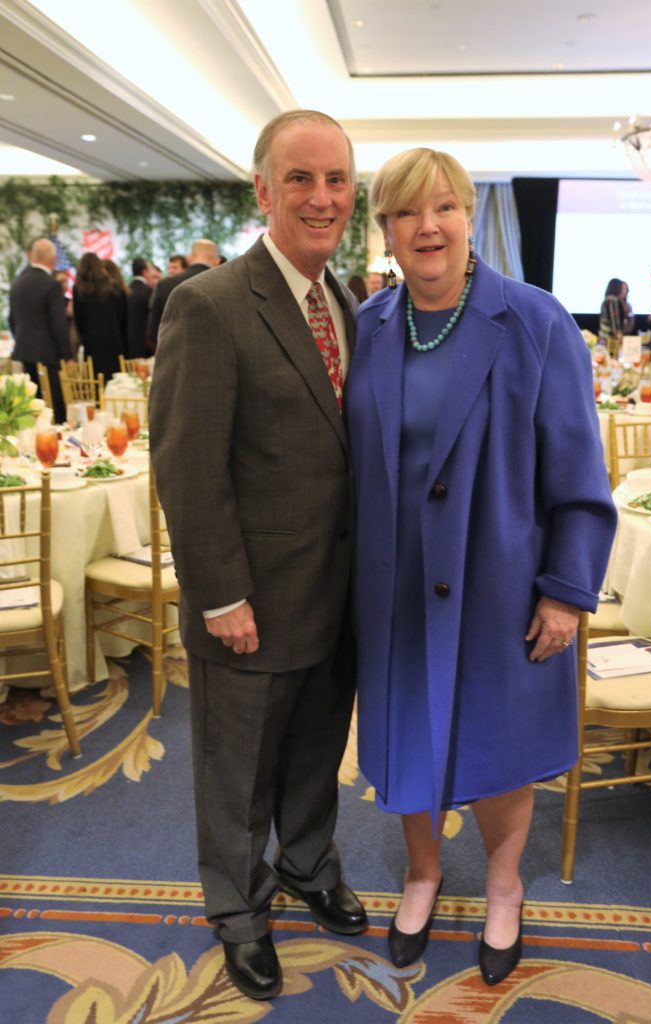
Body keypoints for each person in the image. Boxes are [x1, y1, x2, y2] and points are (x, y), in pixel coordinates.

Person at [345, 148, 617, 986]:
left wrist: (565, 593)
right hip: (395, 584)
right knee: (407, 738)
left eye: (442, 208)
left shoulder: (534, 321)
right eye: (402, 213)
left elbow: (578, 472)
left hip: (500, 580)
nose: (425, 227)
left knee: (497, 742)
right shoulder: (373, 324)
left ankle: (504, 886)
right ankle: (422, 875)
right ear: (385, 230)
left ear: (470, 216)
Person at [149, 109, 367, 1002]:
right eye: (302, 180)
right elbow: (187, 468)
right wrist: (218, 597)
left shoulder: (348, 302)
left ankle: (308, 864)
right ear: (263, 190)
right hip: (249, 601)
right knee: (238, 774)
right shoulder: (208, 303)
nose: (321, 198)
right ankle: (238, 911)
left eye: (337, 181)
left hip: (336, 591)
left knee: (316, 752)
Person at [9, 238, 73, 423]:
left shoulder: (18, 282)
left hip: (24, 351)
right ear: (52, 260)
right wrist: (67, 356)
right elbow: (58, 323)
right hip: (47, 354)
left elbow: (12, 319)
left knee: (31, 405)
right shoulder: (51, 284)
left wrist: (22, 339)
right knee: (53, 404)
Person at [148, 240, 220, 350]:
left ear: (189, 258)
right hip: (216, 354)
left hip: (175, 355)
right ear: (217, 261)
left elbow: (154, 332)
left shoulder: (165, 284)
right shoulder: (225, 284)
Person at [72, 252, 127, 381]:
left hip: (92, 342)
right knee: (115, 380)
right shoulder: (114, 286)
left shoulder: (79, 289)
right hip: (114, 340)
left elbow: (78, 320)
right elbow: (123, 317)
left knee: (96, 380)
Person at [127, 257, 155, 358]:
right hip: (145, 344)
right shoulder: (149, 291)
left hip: (127, 343)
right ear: (145, 272)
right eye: (150, 269)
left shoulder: (125, 291)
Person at [598, 278, 627, 353]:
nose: (624, 290)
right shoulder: (612, 300)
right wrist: (619, 335)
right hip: (610, 339)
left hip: (605, 338)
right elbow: (614, 320)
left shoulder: (607, 299)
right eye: (622, 287)